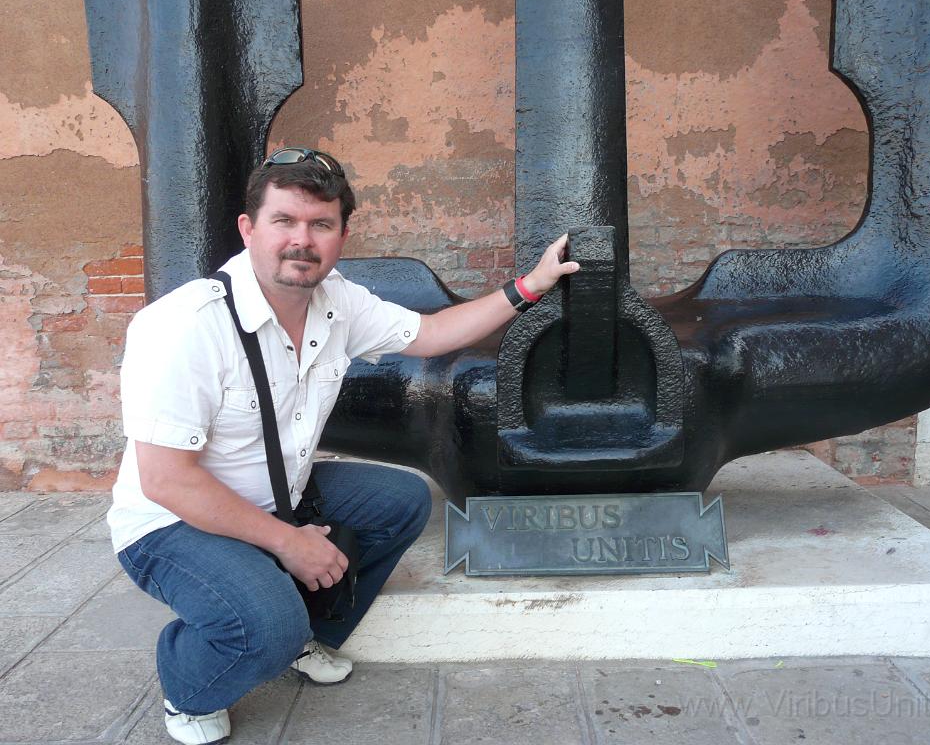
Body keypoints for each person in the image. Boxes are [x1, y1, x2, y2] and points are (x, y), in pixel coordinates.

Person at [106, 146, 579, 745]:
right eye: (284, 221)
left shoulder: (338, 301)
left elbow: (431, 334)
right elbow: (167, 480)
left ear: (341, 234)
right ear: (249, 229)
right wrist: (289, 544)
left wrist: (531, 287)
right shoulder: (183, 326)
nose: (301, 240)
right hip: (172, 523)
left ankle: (303, 632)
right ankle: (190, 683)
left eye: (320, 224)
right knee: (261, 626)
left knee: (401, 501)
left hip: (281, 494)